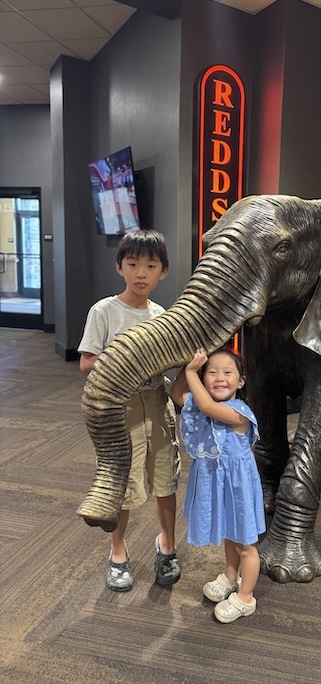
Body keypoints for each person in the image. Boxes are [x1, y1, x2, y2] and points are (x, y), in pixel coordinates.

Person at [78, 229, 181, 591]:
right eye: (133, 264)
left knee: (166, 480)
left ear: (163, 272)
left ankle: (167, 545)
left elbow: (168, 362)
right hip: (121, 410)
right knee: (122, 481)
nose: (141, 273)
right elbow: (87, 363)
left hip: (158, 403)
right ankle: (118, 552)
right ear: (119, 267)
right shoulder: (104, 311)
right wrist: (127, 361)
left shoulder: (161, 314)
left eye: (150, 266)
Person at [170, 347, 265, 623]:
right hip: (219, 483)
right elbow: (176, 394)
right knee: (229, 535)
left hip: (238, 487)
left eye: (227, 372)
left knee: (245, 543)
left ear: (241, 381)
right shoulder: (200, 404)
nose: (219, 378)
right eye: (211, 372)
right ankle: (231, 577)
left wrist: (192, 372)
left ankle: (246, 598)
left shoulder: (239, 413)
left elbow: (208, 407)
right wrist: (187, 364)